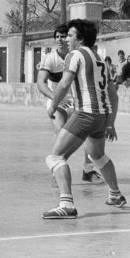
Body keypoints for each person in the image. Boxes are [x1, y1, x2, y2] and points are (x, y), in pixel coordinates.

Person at [42, 19, 126, 219]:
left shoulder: (75, 55)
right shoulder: (100, 59)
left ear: (80, 38)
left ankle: (67, 204)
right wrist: (110, 122)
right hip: (102, 115)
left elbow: (64, 84)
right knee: (98, 156)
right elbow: (113, 95)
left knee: (55, 157)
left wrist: (53, 105)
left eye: (70, 36)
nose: (67, 40)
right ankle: (115, 194)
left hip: (85, 113)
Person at [37, 25, 102, 188]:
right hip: (57, 102)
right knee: (60, 134)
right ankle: (57, 173)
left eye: (63, 36)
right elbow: (40, 83)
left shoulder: (78, 56)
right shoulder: (50, 58)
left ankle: (88, 170)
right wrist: (55, 100)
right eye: (57, 36)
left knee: (88, 134)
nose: (60, 40)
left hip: (78, 102)